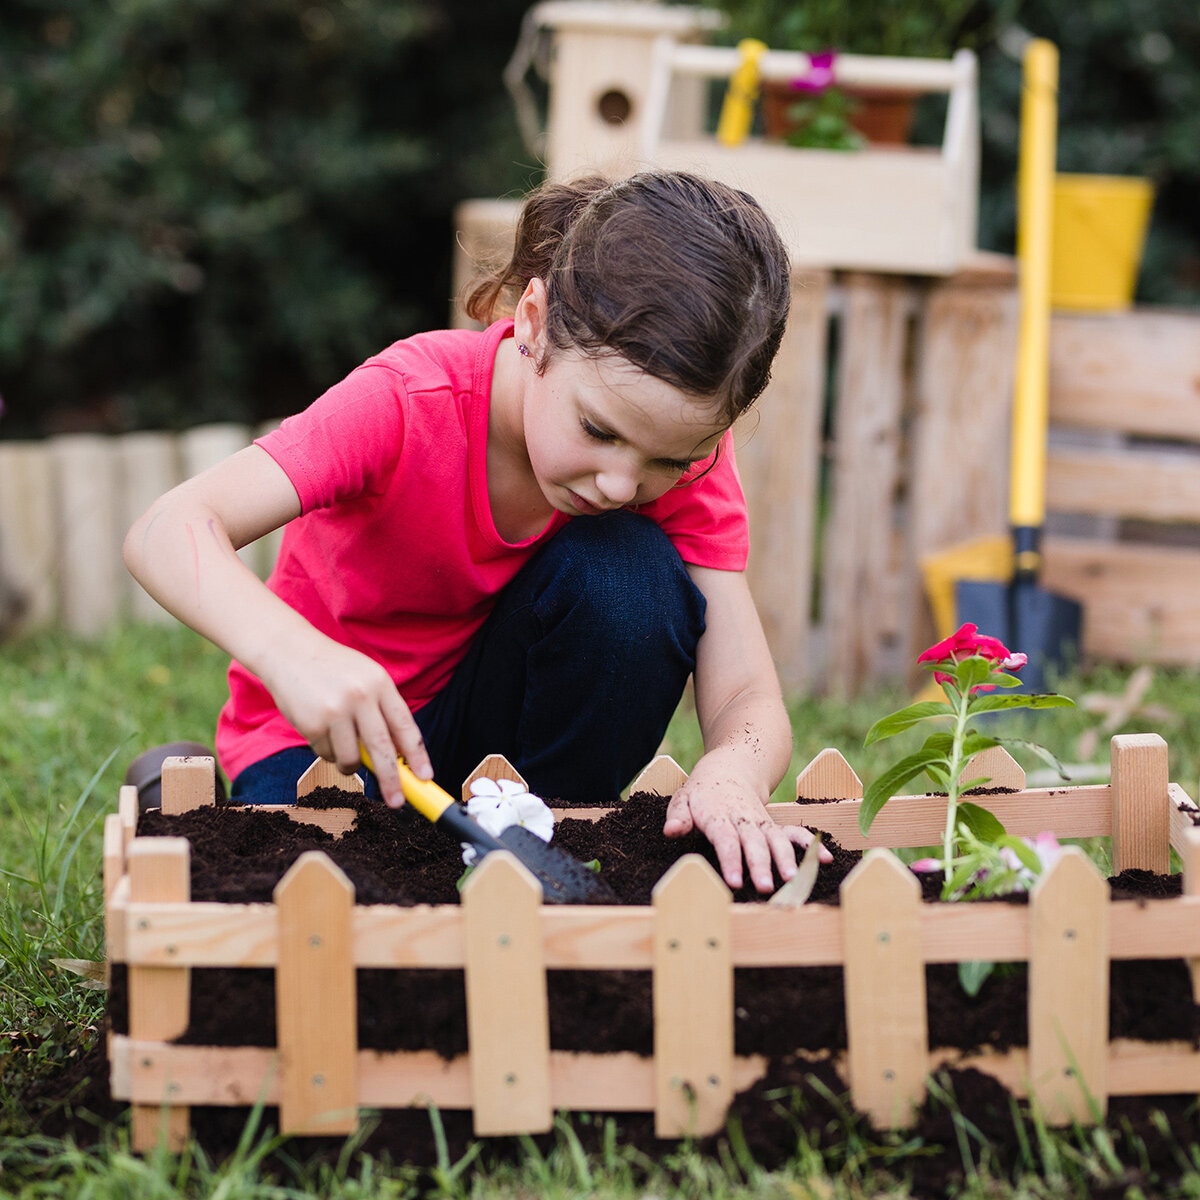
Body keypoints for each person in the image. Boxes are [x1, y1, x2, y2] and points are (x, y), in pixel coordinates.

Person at [124, 170, 829, 894]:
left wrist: (733, 771)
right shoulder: (408, 400)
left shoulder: (683, 459)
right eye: (597, 429)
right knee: (343, 894)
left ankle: (545, 838)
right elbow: (166, 529)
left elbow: (746, 688)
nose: (623, 484)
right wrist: (294, 656)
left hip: (510, 752)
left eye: (668, 459)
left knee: (630, 574)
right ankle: (188, 794)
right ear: (533, 322)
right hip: (337, 744)